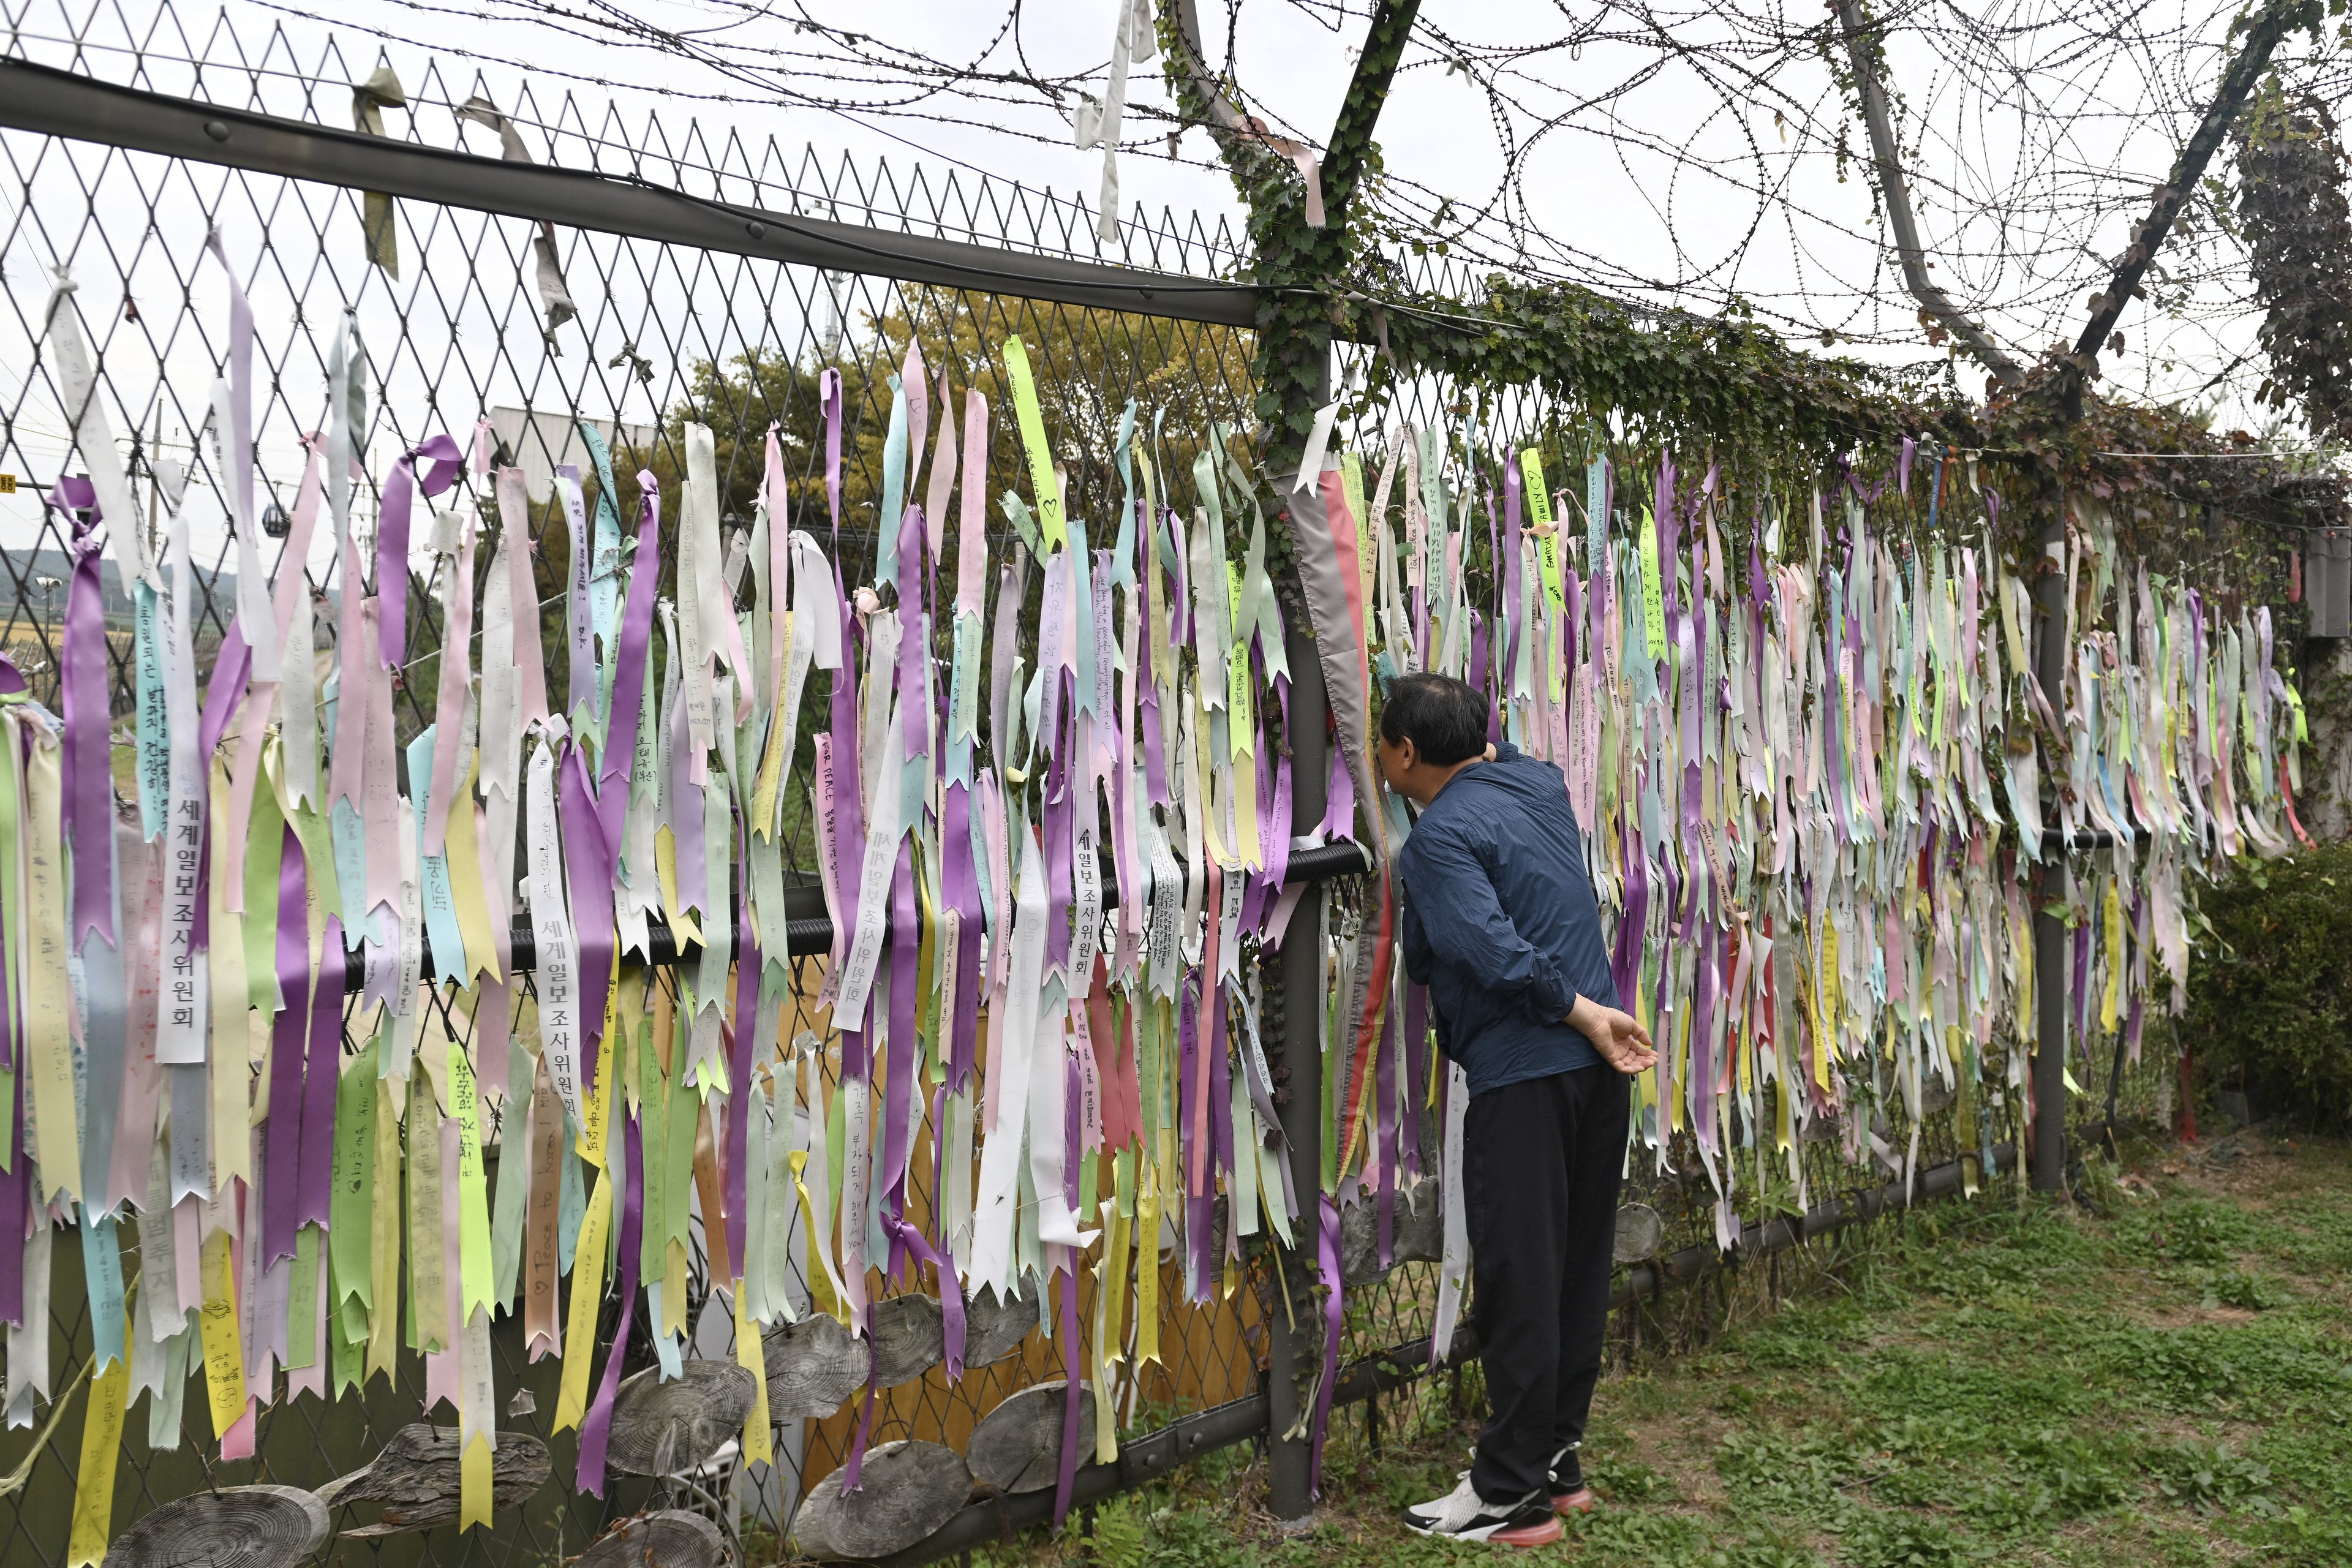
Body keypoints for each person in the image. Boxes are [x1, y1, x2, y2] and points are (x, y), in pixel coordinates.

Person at [1379, 672, 1657, 1548]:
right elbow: (1503, 755)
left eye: (1382, 745)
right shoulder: (1535, 784)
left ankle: (1509, 1493)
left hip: (1530, 1070)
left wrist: (1575, 1008)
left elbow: (1491, 953)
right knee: (1577, 1264)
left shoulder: (1433, 845)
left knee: (1520, 1275)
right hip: (1599, 1068)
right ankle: (1556, 1460)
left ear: (1406, 754)